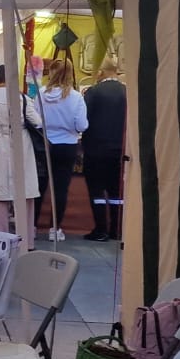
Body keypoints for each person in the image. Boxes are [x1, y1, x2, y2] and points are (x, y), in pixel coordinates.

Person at [0, 64, 42, 236]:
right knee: (25, 191)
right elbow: (37, 121)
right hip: (21, 143)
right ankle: (26, 238)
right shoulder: (22, 97)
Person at [38, 56, 90, 242]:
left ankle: (32, 225)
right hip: (67, 145)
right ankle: (55, 228)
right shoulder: (76, 97)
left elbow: (35, 120)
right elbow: (82, 125)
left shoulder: (41, 94)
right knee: (60, 189)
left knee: (39, 186)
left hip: (44, 144)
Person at [83, 62, 128, 242]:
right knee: (116, 191)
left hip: (96, 150)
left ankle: (100, 229)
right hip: (119, 150)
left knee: (97, 190)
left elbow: (83, 120)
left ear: (101, 72)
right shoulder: (127, 92)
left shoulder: (93, 92)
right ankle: (116, 230)